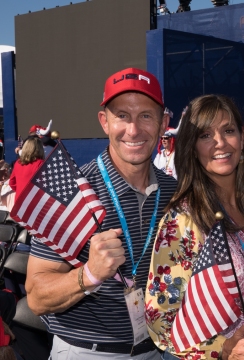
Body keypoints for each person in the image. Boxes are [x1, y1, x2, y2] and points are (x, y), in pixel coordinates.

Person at [25, 68, 177, 359]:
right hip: (89, 352)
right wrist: (89, 274)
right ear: (104, 121)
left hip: (157, 351)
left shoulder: (176, 192)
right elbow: (36, 297)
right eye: (122, 116)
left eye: (146, 115)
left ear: (163, 123)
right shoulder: (70, 192)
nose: (133, 130)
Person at [146, 95, 244, 360]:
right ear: (192, 147)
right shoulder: (182, 219)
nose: (220, 143)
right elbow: (160, 320)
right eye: (205, 135)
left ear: (242, 139)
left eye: (228, 131)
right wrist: (221, 349)